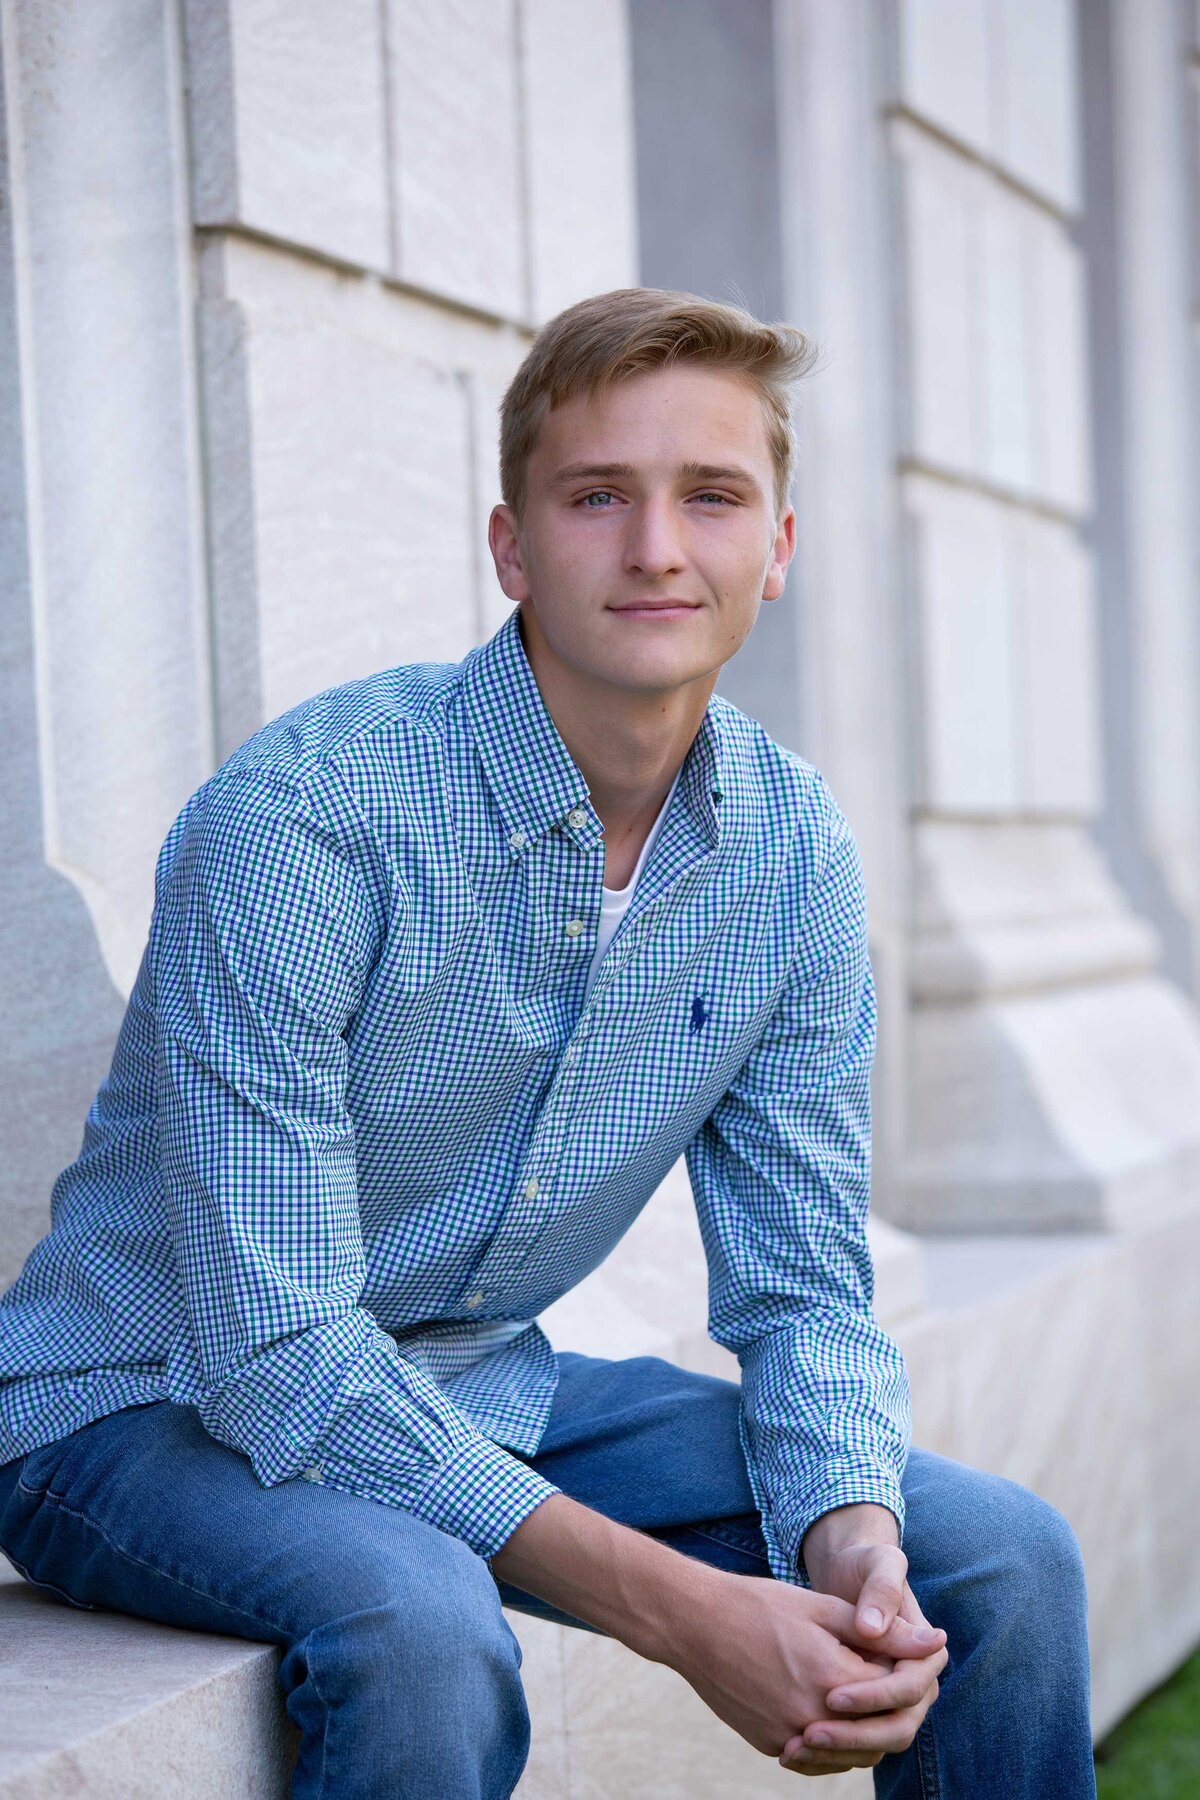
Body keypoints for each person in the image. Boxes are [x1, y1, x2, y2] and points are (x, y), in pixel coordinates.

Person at [0, 288, 1095, 1797]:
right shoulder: (305, 826)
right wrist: (691, 1616)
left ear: (776, 550)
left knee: (1000, 1563)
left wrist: (856, 1535)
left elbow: (802, 1292)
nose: (657, 548)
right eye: (598, 499)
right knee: (421, 1623)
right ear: (511, 546)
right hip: (138, 1407)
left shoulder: (789, 858)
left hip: (474, 1380)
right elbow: (275, 1353)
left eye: (711, 497)